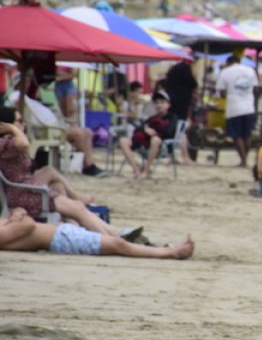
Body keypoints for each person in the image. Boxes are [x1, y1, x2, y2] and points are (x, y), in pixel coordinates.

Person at [0, 108, 133, 239]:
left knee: (61, 188)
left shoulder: (9, 143)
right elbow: (24, 144)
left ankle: (113, 232)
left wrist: (15, 130)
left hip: (28, 190)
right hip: (24, 196)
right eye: (18, 121)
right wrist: (14, 130)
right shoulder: (6, 144)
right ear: (6, 125)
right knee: (78, 208)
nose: (22, 124)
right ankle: (112, 238)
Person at [0, 208, 193, 260]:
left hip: (61, 234)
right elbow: (26, 225)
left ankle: (167, 250)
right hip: (61, 240)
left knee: (117, 243)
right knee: (119, 245)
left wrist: (16, 215)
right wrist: (18, 216)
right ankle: (171, 252)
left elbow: (21, 219)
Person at [215, 48, 259, 167]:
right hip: (249, 107)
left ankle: (243, 160)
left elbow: (222, 93)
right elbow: (256, 89)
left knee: (237, 135)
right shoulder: (250, 71)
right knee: (247, 134)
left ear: (229, 62)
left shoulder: (225, 72)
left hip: (234, 108)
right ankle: (245, 158)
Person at [117, 92, 176, 179]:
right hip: (145, 145)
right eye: (156, 103)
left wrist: (155, 131)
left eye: (162, 102)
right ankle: (136, 169)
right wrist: (146, 129)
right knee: (123, 140)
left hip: (162, 147)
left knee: (155, 139)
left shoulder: (172, 118)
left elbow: (170, 132)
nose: (159, 105)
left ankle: (146, 170)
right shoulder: (152, 118)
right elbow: (138, 129)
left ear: (168, 105)